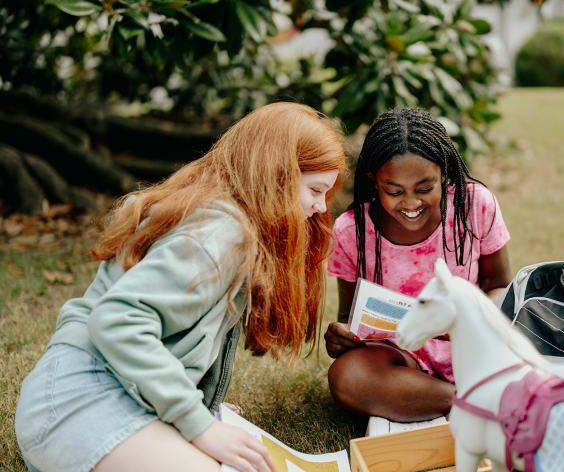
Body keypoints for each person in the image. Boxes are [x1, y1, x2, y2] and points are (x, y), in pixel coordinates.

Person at [14, 102, 346, 472]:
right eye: (315, 190)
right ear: (277, 176)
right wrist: (198, 424)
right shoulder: (222, 232)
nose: (319, 207)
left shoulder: (219, 216)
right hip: (82, 402)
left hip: (92, 396)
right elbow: (118, 319)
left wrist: (197, 408)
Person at [323, 108, 511, 422]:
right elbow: (349, 318)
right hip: (400, 359)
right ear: (374, 180)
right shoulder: (351, 231)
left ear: (444, 174)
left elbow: (500, 286)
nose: (410, 204)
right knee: (347, 377)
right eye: (394, 191)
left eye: (425, 189)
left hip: (472, 351)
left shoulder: (475, 206)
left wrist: (468, 322)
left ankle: (450, 399)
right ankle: (474, 403)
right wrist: (340, 336)